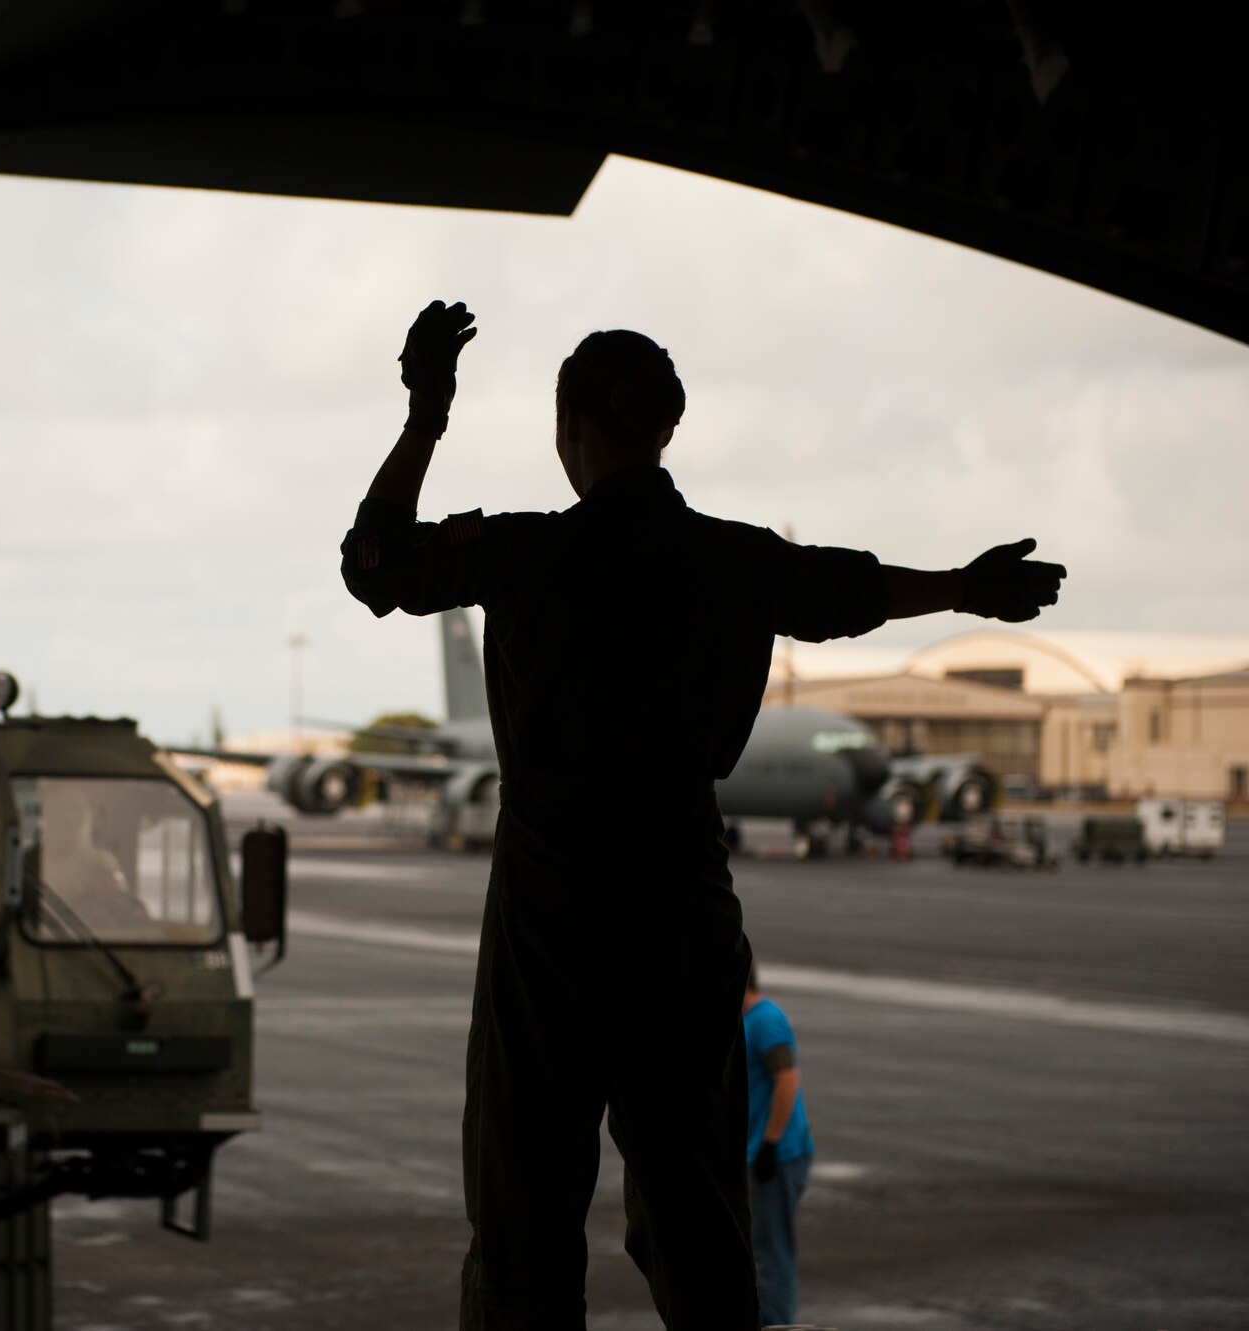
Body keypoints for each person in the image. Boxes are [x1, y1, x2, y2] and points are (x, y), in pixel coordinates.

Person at [340, 300, 1065, 1329]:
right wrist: (962, 587)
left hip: (551, 914)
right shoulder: (735, 560)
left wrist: (424, 414)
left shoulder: (525, 555)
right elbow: (848, 590)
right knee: (698, 1221)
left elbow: (374, 563)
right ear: (665, 429)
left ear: (570, 427)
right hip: (685, 906)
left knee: (525, 1222)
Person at [743, 956, 813, 1327]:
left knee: (773, 1252)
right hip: (759, 1152)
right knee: (760, 1250)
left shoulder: (766, 1021)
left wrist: (770, 1144)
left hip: (779, 1155)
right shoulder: (745, 1022)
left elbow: (787, 1080)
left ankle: (777, 1324)